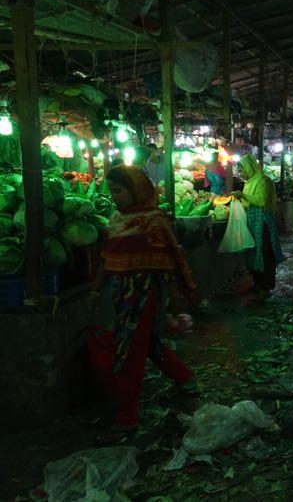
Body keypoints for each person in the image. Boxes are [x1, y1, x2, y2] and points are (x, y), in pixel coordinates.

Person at [89, 165, 197, 445]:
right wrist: (95, 290)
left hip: (144, 298)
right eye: (111, 191)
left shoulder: (154, 222)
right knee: (147, 344)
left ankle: (127, 420)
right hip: (121, 296)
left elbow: (168, 263)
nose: (114, 196)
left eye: (119, 191)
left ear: (135, 190)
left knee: (129, 354)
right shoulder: (116, 219)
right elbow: (106, 258)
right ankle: (185, 378)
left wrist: (176, 302)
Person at [233, 154, 284, 294]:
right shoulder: (249, 182)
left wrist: (243, 195)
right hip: (252, 220)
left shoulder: (262, 180)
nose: (241, 174)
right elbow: (248, 202)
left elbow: (261, 200)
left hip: (263, 221)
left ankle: (266, 285)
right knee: (254, 252)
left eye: (242, 171)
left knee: (264, 251)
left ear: (249, 168)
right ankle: (258, 283)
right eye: (239, 172)